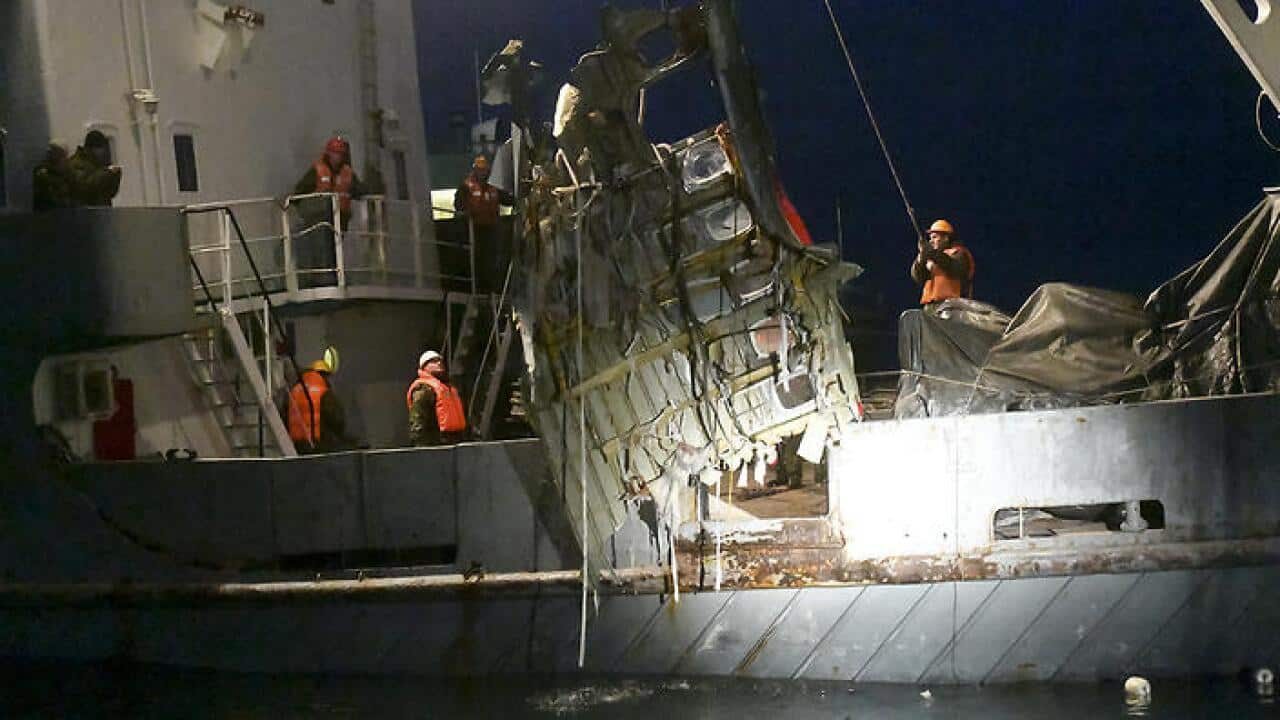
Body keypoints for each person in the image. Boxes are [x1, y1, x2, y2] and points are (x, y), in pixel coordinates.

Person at [292, 136, 368, 286]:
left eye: (340, 154)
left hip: (341, 219)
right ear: (328, 153)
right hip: (320, 220)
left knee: (334, 249)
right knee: (321, 248)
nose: (337, 157)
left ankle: (333, 276)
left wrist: (366, 189)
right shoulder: (317, 170)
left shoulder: (347, 173)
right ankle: (321, 278)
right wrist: (300, 206)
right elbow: (300, 190)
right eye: (334, 153)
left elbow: (359, 191)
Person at [453, 155, 514, 293]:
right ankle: (478, 287)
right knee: (476, 259)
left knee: (492, 259)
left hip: (491, 229)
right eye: (480, 170)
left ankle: (492, 288)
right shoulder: (465, 187)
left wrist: (519, 197)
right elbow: (458, 204)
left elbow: (507, 200)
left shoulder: (494, 188)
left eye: (485, 170)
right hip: (473, 230)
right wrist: (465, 213)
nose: (483, 173)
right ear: (475, 170)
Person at [286, 350, 350, 453]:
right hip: (319, 447)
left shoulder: (294, 390)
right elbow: (338, 420)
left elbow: (285, 416)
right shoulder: (323, 392)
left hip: (296, 448)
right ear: (323, 375)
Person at [407, 350, 468, 446]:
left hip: (456, 442)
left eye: (440, 361)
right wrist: (422, 448)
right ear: (424, 367)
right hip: (437, 444)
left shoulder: (450, 389)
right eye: (433, 361)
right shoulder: (423, 389)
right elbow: (418, 421)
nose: (439, 363)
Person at [911, 219, 975, 305]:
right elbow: (918, 277)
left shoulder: (959, 253)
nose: (931, 241)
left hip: (955, 306)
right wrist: (921, 257)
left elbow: (955, 268)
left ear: (946, 238)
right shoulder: (933, 257)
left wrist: (932, 253)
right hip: (933, 305)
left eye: (935, 237)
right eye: (930, 238)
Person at [67, 130, 122, 206]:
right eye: (100, 148)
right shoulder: (77, 163)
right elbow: (84, 186)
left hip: (101, 209)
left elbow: (110, 193)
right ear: (90, 148)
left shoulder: (99, 163)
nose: (103, 152)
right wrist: (107, 173)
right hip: (85, 210)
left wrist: (115, 176)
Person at [32, 143, 74, 212]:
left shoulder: (65, 174)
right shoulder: (45, 178)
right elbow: (55, 203)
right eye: (64, 158)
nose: (67, 162)